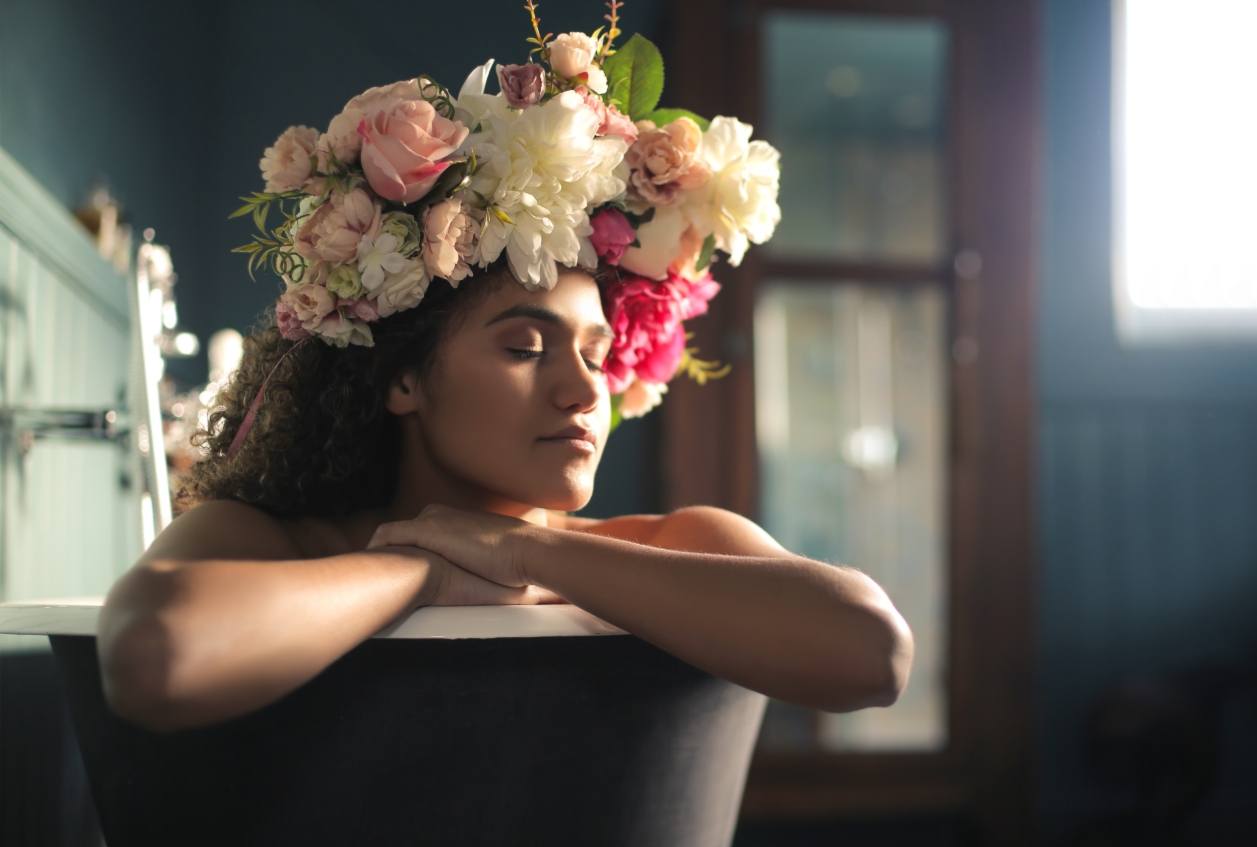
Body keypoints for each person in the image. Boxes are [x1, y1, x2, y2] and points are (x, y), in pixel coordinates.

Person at [96, 13, 914, 734]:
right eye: (526, 348)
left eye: (596, 354)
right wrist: (416, 567)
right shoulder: (263, 542)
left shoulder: (678, 547)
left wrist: (524, 554)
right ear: (402, 378)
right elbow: (153, 660)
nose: (584, 389)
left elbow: (874, 653)